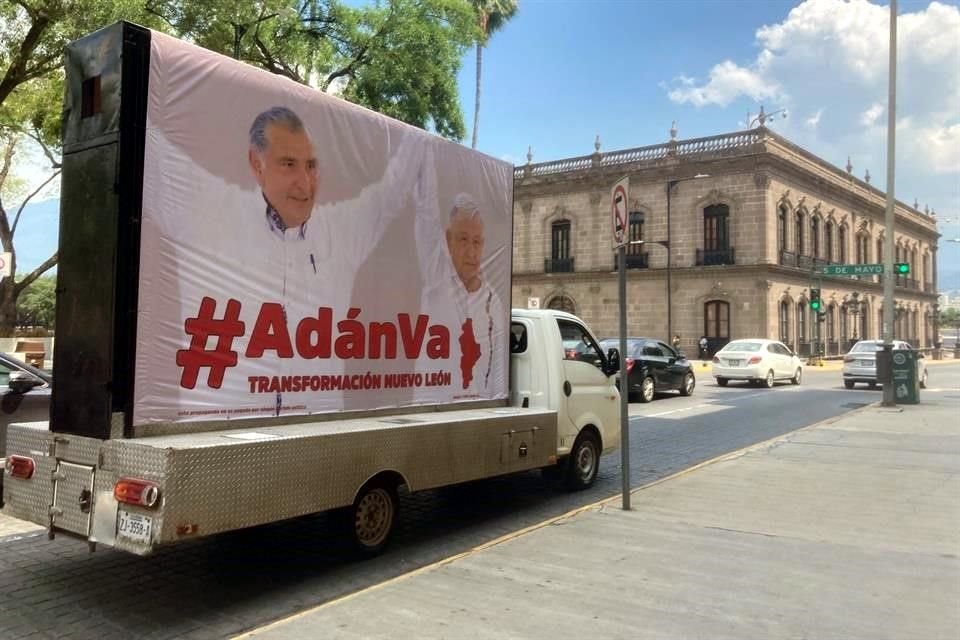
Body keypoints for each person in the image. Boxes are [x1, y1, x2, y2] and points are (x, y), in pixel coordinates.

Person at [415, 164, 506, 399]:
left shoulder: (492, 303)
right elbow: (426, 213)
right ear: (449, 240)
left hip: (473, 415)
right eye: (463, 239)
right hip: (430, 413)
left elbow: (498, 372)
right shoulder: (436, 279)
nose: (471, 251)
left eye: (477, 242)